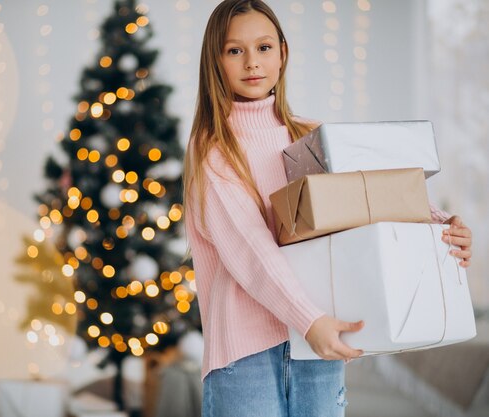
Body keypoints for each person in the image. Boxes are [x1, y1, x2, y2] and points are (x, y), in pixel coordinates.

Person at [182, 1, 473, 416]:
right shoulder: (213, 150)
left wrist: (443, 227)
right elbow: (250, 248)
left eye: (264, 47)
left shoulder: (312, 135)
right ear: (216, 60)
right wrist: (309, 320)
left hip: (319, 342)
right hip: (249, 355)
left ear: (283, 52)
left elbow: (372, 196)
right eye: (234, 51)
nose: (252, 63)